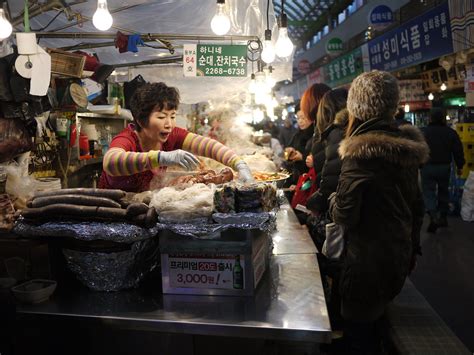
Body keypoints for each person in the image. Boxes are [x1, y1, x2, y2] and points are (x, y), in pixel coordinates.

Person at [329, 71, 428, 354]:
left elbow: (344, 214)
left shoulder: (360, 153)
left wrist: (334, 199)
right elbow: (417, 206)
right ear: (391, 104)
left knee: (359, 337)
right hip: (398, 255)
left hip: (364, 266)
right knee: (377, 326)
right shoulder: (407, 149)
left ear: (356, 107)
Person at [98, 82, 253, 192]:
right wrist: (159, 157)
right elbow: (111, 162)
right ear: (140, 119)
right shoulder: (127, 139)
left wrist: (238, 164)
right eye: (161, 117)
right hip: (114, 213)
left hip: (145, 213)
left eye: (172, 116)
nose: (169, 124)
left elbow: (209, 146)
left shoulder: (173, 135)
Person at [421, 107, 465, 232]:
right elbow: (458, 150)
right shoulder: (450, 132)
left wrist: (418, 165)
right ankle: (443, 217)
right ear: (443, 118)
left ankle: (433, 217)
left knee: (428, 192)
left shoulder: (423, 132)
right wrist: (460, 165)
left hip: (427, 167)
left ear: (430, 118)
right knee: (443, 191)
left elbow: (418, 149)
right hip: (444, 167)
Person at [307, 88, 348, 216]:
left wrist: (313, 203)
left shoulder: (337, 134)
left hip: (340, 214)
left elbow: (331, 185)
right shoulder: (353, 129)